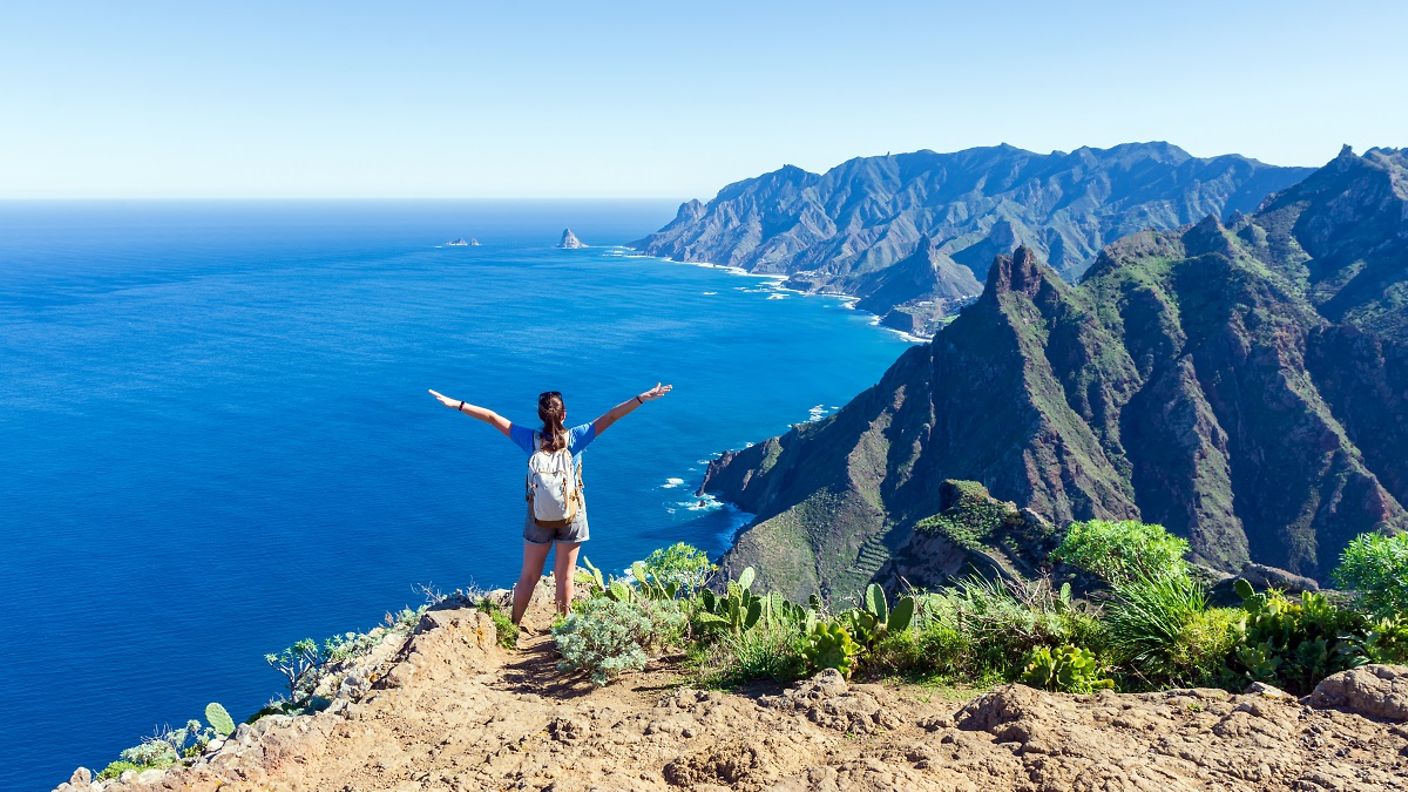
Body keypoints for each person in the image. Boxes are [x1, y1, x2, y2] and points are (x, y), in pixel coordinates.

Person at [427, 383, 672, 625]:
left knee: (529, 576)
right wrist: (641, 398)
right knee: (565, 577)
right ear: (564, 414)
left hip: (538, 517)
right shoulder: (577, 437)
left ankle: (513, 628)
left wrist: (456, 404)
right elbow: (612, 416)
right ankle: (563, 631)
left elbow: (492, 417)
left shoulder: (529, 440)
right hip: (572, 515)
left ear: (540, 416)